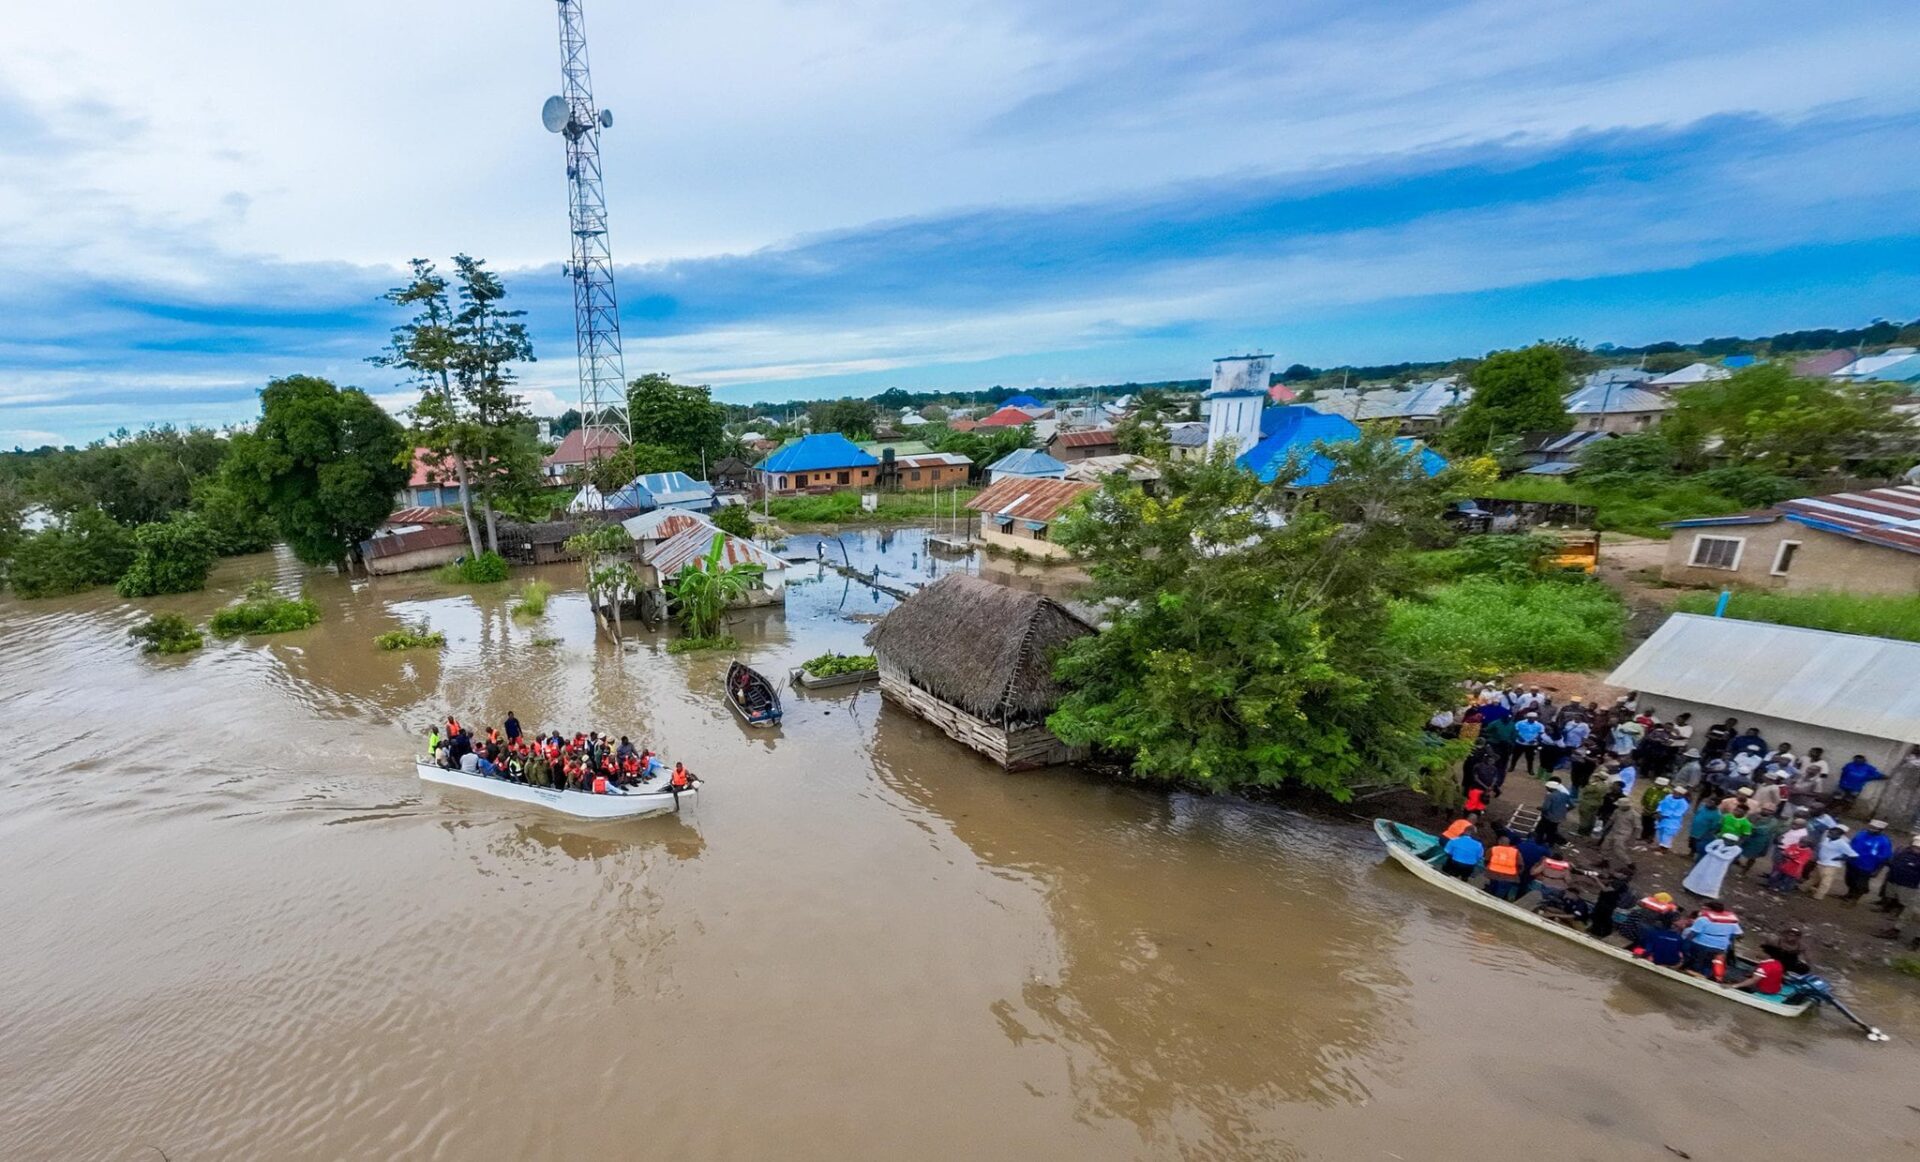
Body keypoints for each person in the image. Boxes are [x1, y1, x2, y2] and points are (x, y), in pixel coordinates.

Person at [1682, 901, 1743, 979]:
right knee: (1709, 965)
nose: (1702, 911)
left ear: (1711, 910)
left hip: (1701, 944)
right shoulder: (1731, 921)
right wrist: (1726, 938)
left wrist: (1685, 944)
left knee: (1696, 962)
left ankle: (1691, 976)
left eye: (1704, 909)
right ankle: (1706, 977)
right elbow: (1738, 934)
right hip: (1720, 947)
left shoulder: (1703, 919)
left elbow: (1693, 933)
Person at [1845, 820, 1896, 902]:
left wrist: (1877, 870)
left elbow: (1885, 858)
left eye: (1875, 829)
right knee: (1850, 880)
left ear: (1880, 830)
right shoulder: (1861, 834)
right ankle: (1849, 894)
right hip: (1852, 863)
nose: (1871, 830)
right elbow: (1851, 845)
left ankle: (1855, 899)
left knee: (1860, 884)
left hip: (1867, 867)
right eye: (1871, 827)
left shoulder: (1884, 841)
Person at [1683, 833, 1742, 899]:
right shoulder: (1718, 841)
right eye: (1725, 840)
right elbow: (1708, 848)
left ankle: (1703, 893)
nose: (1725, 842)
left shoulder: (1736, 849)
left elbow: (1726, 857)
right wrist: (1717, 852)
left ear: (1733, 842)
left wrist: (1714, 852)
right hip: (1707, 862)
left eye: (1728, 840)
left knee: (1710, 879)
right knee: (1699, 873)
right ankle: (1690, 887)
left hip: (1718, 867)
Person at [1586, 864, 1636, 939]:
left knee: (1601, 917)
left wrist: (1597, 880)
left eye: (1618, 872)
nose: (1615, 873)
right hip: (1604, 901)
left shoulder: (1620, 883)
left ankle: (1598, 932)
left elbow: (1606, 889)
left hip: (1608, 903)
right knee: (1599, 916)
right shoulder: (1616, 881)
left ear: (1624, 875)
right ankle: (1598, 930)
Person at [1813, 825, 1856, 900]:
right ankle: (1803, 888)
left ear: (1839, 835)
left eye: (1832, 833)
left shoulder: (1842, 843)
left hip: (1831, 865)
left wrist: (1841, 858)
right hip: (1821, 862)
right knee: (1814, 877)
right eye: (1829, 833)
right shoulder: (1827, 839)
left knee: (1825, 882)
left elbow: (1854, 855)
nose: (1829, 834)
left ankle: (1819, 896)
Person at [1653, 785, 1691, 851]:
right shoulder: (1668, 797)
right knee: (1659, 832)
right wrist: (1658, 812)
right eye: (1674, 792)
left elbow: (1678, 813)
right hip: (1661, 818)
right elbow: (1661, 804)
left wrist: (1664, 816)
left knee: (1667, 834)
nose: (1674, 794)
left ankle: (1664, 848)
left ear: (1681, 795)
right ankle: (1659, 845)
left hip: (1671, 821)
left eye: (1677, 793)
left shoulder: (1683, 803)